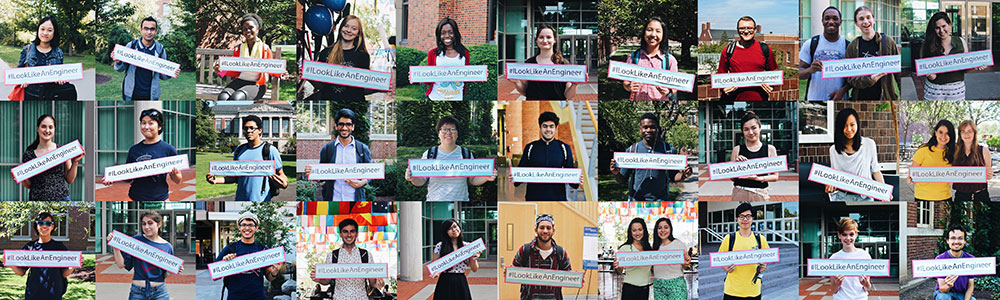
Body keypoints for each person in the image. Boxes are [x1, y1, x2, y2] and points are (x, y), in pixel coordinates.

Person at [405, 116, 496, 201]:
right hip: (435, 200)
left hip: (461, 200)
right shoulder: (430, 154)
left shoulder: (466, 154)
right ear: (438, 133)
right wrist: (412, 178)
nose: (448, 133)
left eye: (452, 129)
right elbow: (421, 180)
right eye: (444, 130)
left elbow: (472, 180)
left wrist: (486, 177)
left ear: (457, 134)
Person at [101, 109, 182, 201]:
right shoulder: (134, 149)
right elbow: (128, 177)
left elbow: (178, 180)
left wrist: (174, 174)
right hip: (134, 198)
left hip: (160, 199)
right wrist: (112, 177)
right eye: (143, 123)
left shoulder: (168, 150)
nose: (146, 127)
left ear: (159, 127)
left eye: (151, 123)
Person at [610, 113, 693, 200]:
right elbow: (622, 179)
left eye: (652, 127)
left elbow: (674, 176)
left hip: (661, 202)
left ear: (657, 129)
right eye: (645, 127)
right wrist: (616, 173)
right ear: (640, 129)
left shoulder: (668, 150)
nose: (648, 130)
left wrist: (684, 175)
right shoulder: (632, 150)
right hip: (637, 202)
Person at [205, 114, 288, 201]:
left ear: (260, 130)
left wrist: (284, 184)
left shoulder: (270, 150)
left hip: (262, 201)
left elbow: (281, 174)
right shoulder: (239, 150)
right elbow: (235, 177)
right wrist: (216, 180)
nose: (249, 131)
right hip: (240, 200)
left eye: (252, 128)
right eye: (246, 128)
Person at [106, 211, 184, 300]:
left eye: (150, 223)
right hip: (137, 292)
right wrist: (115, 247)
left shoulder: (167, 246)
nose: (146, 227)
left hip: (160, 293)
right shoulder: (136, 241)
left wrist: (175, 270)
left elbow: (165, 275)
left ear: (159, 224)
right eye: (144, 224)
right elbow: (121, 265)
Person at [510, 112, 582, 201]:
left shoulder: (564, 148)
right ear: (540, 128)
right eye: (545, 126)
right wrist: (514, 175)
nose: (548, 129)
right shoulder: (530, 147)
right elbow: (518, 180)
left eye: (551, 126)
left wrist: (577, 178)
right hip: (534, 198)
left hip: (558, 199)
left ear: (556, 128)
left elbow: (573, 183)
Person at [0, 212, 73, 299]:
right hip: (33, 294)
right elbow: (22, 272)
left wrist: (73, 266)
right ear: (37, 226)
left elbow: (63, 274)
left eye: (48, 223)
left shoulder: (59, 247)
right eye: (41, 223)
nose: (44, 226)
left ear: (52, 226)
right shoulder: (30, 247)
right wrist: (10, 265)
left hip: (54, 294)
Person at [214, 212, 284, 300]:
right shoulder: (230, 248)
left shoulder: (262, 249)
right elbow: (215, 276)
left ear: (256, 227)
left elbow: (269, 277)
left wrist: (275, 271)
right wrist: (224, 263)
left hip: (258, 297)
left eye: (251, 225)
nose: (247, 228)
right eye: (244, 225)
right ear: (239, 227)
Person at [214, 13, 285, 100]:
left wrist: (281, 72)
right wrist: (221, 70)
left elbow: (270, 68)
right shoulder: (238, 49)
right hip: (239, 81)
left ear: (257, 29)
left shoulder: (265, 49)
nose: (247, 31)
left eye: (251, 28)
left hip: (257, 84)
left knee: (237, 97)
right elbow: (234, 69)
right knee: (222, 97)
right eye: (244, 29)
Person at [310, 218, 385, 300]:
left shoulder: (365, 255)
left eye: (352, 231)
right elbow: (326, 281)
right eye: (345, 231)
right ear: (340, 234)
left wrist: (378, 283)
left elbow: (373, 282)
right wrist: (319, 279)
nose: (349, 235)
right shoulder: (332, 255)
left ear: (356, 234)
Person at [305, 108, 371, 201]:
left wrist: (362, 182)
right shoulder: (327, 149)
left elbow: (371, 173)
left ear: (353, 127)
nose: (344, 128)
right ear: (336, 126)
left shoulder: (362, 149)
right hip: (333, 200)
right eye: (341, 124)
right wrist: (312, 173)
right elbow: (322, 175)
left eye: (348, 124)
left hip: (355, 201)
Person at [919, 12, 986, 100]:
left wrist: (975, 66)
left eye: (944, 26)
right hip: (934, 90)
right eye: (937, 28)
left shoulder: (961, 42)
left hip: (956, 90)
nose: (942, 31)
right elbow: (924, 69)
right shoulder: (927, 45)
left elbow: (964, 68)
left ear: (949, 25)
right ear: (933, 29)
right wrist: (929, 75)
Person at [826, 108, 888, 201]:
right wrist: (830, 185)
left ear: (857, 125)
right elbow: (834, 176)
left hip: (865, 196)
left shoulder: (869, 144)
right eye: (845, 126)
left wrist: (884, 193)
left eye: (852, 125)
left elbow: (875, 170)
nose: (849, 129)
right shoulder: (833, 150)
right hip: (841, 197)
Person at [112, 17, 179, 100]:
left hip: (151, 95)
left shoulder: (160, 49)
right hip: (130, 94)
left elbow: (163, 76)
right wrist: (118, 62)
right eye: (146, 29)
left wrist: (171, 72)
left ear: (156, 31)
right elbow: (120, 69)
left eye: (152, 29)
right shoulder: (131, 46)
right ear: (141, 30)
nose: (149, 32)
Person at [306, 15, 370, 100]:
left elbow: (363, 89)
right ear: (341, 28)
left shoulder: (363, 56)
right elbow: (321, 87)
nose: (349, 30)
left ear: (358, 33)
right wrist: (308, 75)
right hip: (329, 99)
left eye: (354, 28)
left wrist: (382, 87)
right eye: (346, 26)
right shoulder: (325, 53)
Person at [716, 16, 779, 101]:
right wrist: (723, 88)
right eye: (742, 28)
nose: (746, 31)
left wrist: (771, 86)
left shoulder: (765, 49)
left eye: (749, 28)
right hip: (733, 99)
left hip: (759, 100)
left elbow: (773, 76)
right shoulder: (728, 50)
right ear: (738, 30)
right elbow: (720, 76)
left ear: (755, 30)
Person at [21, 114, 81, 201]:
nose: (47, 130)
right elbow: (29, 185)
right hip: (37, 199)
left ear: (54, 130)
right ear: (38, 129)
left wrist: (75, 162)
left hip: (62, 198)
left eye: (50, 127)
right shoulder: (29, 154)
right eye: (43, 127)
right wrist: (22, 177)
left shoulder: (62, 151)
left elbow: (69, 180)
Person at [845, 6, 900, 100]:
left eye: (868, 17)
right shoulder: (852, 47)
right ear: (856, 23)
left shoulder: (888, 42)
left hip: (884, 98)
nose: (865, 21)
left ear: (873, 19)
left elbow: (898, 73)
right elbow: (850, 78)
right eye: (861, 19)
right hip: (860, 98)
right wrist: (869, 79)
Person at [512, 214, 572, 300]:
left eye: (548, 228)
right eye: (542, 227)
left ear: (553, 231)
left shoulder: (561, 253)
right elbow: (514, 269)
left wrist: (577, 278)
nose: (545, 231)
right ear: (536, 230)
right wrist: (509, 272)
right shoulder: (525, 250)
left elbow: (569, 274)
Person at [512, 24, 578, 100]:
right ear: (537, 40)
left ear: (554, 40)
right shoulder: (529, 63)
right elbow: (525, 92)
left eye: (548, 37)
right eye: (541, 37)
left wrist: (575, 84)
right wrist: (516, 82)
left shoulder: (563, 64)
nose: (545, 40)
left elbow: (568, 96)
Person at [718, 202, 769, 300]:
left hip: (753, 290)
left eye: (748, 216)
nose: (745, 219)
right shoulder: (729, 239)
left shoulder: (760, 239)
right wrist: (726, 267)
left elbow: (766, 260)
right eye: (741, 216)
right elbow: (720, 260)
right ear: (737, 219)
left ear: (753, 218)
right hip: (732, 291)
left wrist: (763, 266)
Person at [17, 16, 76, 100]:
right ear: (38, 30)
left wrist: (61, 79)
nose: (45, 33)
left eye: (49, 30)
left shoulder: (58, 52)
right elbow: (18, 72)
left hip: (52, 93)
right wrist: (22, 81)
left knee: (71, 89)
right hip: (32, 93)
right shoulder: (27, 49)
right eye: (42, 29)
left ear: (54, 32)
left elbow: (61, 72)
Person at [798, 7, 850, 100]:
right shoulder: (811, 43)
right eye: (827, 18)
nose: (831, 22)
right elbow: (799, 73)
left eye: (835, 18)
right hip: (814, 99)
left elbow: (853, 78)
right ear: (822, 21)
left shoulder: (848, 46)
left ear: (840, 21)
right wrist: (810, 70)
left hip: (839, 100)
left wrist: (843, 90)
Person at [621, 17, 678, 100]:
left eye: (658, 31)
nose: (653, 34)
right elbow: (625, 82)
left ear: (663, 35)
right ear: (644, 33)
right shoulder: (633, 57)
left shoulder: (670, 60)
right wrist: (629, 87)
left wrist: (669, 92)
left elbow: (675, 86)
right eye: (649, 30)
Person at [730, 111, 778, 201]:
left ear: (760, 128)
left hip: (760, 192)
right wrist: (737, 166)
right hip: (740, 192)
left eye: (754, 128)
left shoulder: (770, 149)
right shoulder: (736, 150)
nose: (750, 132)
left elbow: (775, 177)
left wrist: (758, 178)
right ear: (742, 131)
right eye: (746, 129)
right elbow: (732, 178)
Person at [430, 219, 481, 300]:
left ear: (459, 227)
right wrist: (435, 273)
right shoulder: (440, 246)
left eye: (455, 226)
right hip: (445, 281)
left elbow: (474, 269)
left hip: (460, 282)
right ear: (446, 232)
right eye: (450, 229)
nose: (454, 230)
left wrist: (474, 259)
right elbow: (434, 266)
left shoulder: (467, 246)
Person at [908, 120, 955, 201]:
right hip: (922, 197)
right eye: (941, 132)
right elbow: (913, 174)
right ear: (935, 132)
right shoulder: (923, 150)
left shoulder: (953, 153)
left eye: (947, 133)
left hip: (945, 197)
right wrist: (911, 178)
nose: (943, 136)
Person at [425, 18, 470, 100]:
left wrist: (481, 74)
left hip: (457, 98)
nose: (447, 36)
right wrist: (415, 76)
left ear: (455, 34)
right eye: (443, 33)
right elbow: (429, 79)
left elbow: (467, 76)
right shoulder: (433, 54)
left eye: (450, 32)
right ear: (439, 35)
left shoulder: (465, 53)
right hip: (435, 98)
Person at [828, 217, 872, 300]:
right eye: (844, 234)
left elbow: (867, 287)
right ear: (839, 235)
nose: (848, 238)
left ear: (856, 235)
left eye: (851, 234)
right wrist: (837, 284)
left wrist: (866, 284)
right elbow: (833, 290)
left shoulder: (865, 256)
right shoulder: (833, 258)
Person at [934, 225, 978, 300]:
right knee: (944, 298)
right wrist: (948, 285)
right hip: (944, 293)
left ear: (965, 241)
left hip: (961, 294)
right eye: (953, 238)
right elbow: (942, 289)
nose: (956, 242)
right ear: (948, 241)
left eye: (960, 238)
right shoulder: (940, 259)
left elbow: (970, 286)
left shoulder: (971, 259)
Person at [652, 217, 691, 300]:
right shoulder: (654, 247)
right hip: (658, 285)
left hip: (676, 284)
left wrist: (687, 263)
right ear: (656, 230)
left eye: (666, 227)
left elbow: (686, 266)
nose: (663, 230)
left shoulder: (678, 244)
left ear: (670, 229)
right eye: (659, 228)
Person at [613, 218, 652, 299]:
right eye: (634, 230)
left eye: (640, 230)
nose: (637, 233)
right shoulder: (624, 248)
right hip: (630, 289)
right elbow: (619, 272)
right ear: (630, 232)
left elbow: (653, 269)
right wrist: (616, 267)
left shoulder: (649, 249)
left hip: (645, 289)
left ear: (644, 231)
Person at [953, 120, 992, 201]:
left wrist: (989, 174)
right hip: (960, 196)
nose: (966, 134)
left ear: (974, 133)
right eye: (963, 131)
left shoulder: (983, 151)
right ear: (960, 134)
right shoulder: (955, 152)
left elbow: (988, 175)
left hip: (980, 196)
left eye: (969, 131)